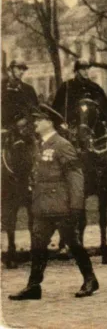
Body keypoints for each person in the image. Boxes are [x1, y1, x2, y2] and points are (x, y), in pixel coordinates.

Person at [9, 104, 99, 300]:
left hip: (61, 206)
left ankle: (90, 279)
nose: (35, 124)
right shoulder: (41, 145)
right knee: (38, 245)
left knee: (73, 244)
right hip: (42, 206)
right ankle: (34, 286)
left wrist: (76, 205)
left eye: (38, 120)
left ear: (49, 123)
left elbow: (75, 176)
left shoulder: (62, 145)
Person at [51, 59, 107, 189]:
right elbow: (56, 108)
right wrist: (61, 123)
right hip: (72, 126)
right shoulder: (67, 87)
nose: (86, 72)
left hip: (92, 127)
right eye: (82, 69)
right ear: (76, 71)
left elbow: (104, 108)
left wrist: (104, 121)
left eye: (87, 69)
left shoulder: (95, 87)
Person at [1, 113, 37, 269]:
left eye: (25, 127)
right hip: (6, 128)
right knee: (9, 216)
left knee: (34, 217)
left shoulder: (30, 139)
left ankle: (36, 250)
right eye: (21, 127)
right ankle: (10, 250)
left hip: (27, 178)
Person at [1, 58, 39, 130]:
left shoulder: (29, 89)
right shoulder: (2, 89)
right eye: (19, 68)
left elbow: (36, 111)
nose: (22, 72)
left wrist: (26, 119)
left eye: (23, 69)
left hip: (26, 130)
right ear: (10, 70)